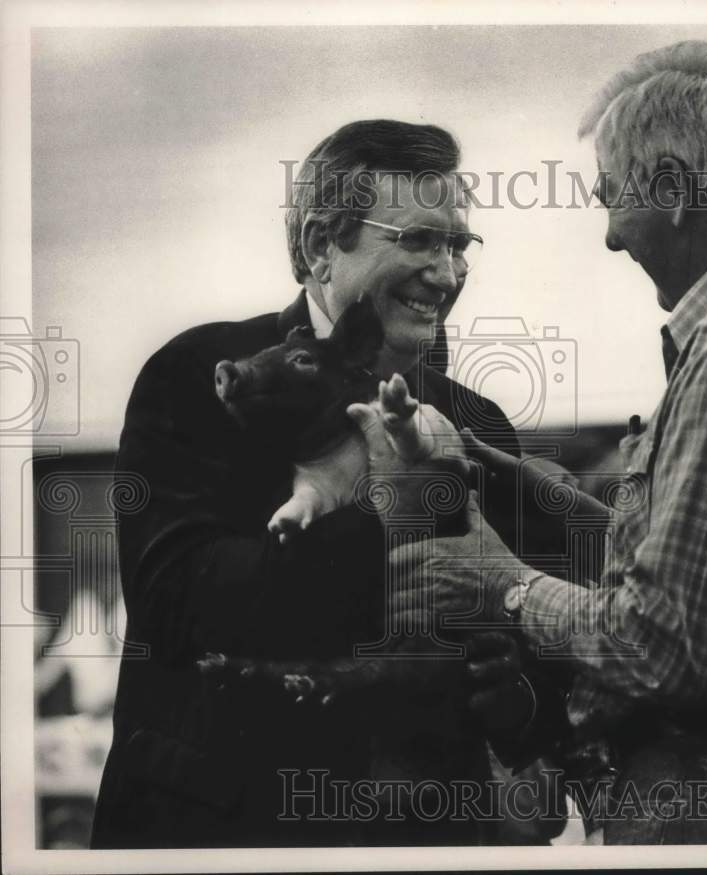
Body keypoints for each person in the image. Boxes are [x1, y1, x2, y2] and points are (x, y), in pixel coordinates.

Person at [369, 41, 707, 844]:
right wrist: (550, 494)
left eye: (612, 197)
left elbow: (667, 649)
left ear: (672, 189)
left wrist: (505, 585)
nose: (612, 238)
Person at [91, 120, 541, 847]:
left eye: (460, 245)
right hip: (230, 837)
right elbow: (173, 603)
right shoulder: (201, 373)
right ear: (320, 246)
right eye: (419, 240)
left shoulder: (478, 423)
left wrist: (510, 683)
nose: (447, 273)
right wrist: (389, 518)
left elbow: (524, 656)